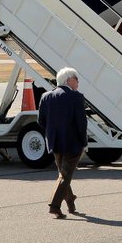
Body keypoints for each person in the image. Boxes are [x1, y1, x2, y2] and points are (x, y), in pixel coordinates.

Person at [37, 67, 86, 218]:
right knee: (65, 175)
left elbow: (41, 120)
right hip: (72, 143)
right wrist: (84, 142)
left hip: (54, 142)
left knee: (63, 174)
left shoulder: (46, 97)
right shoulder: (76, 97)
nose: (78, 82)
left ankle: (70, 201)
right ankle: (55, 205)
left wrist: (52, 133)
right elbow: (81, 123)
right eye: (76, 79)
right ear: (68, 80)